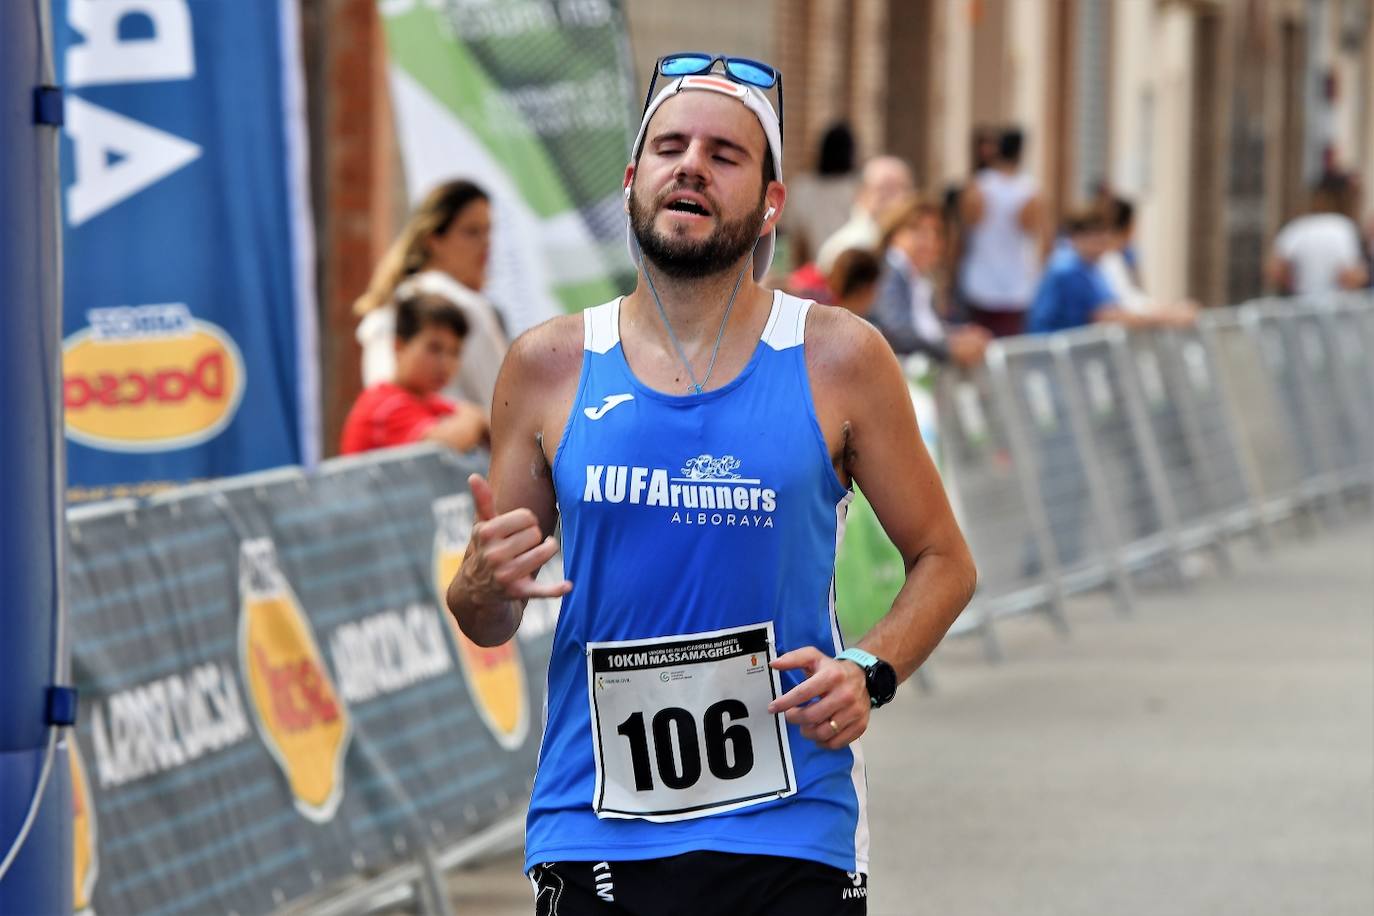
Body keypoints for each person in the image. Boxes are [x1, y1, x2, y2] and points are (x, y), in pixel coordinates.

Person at [445, 54, 975, 915]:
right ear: (631, 181)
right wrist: (476, 586)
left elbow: (945, 559)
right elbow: (490, 616)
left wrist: (868, 670)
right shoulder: (547, 364)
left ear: (770, 202)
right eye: (670, 148)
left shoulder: (839, 357)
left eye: (725, 155)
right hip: (598, 821)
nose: (691, 165)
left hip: (791, 822)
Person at [353, 180, 510, 409]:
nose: (486, 244)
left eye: (488, 231)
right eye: (472, 232)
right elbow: (505, 407)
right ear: (433, 239)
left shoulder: (385, 307)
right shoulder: (466, 305)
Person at [339, 293, 488, 455]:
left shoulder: (426, 401)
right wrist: (474, 418)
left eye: (455, 352)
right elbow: (446, 444)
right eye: (434, 348)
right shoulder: (385, 406)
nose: (446, 363)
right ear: (399, 347)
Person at [1026, 206, 1194, 334]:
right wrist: (1167, 318)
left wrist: (1165, 312)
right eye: (1096, 236)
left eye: (1104, 235)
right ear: (1077, 237)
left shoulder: (1093, 267)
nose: (1103, 242)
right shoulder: (1067, 269)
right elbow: (1104, 315)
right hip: (1051, 360)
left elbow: (1117, 304)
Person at [869, 195, 991, 367]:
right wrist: (950, 348)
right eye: (919, 230)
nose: (930, 240)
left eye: (936, 233)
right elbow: (897, 331)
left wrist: (960, 335)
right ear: (895, 233)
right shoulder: (888, 272)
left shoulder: (917, 277)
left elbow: (926, 327)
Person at [957, 128, 1045, 336]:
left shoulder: (979, 185)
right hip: (1016, 284)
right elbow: (1037, 233)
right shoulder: (1030, 190)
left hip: (981, 281)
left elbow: (963, 230)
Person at [1266, 172, 1370, 296]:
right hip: (1336, 303)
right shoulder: (1343, 227)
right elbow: (1351, 275)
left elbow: (1274, 271)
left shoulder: (1297, 226)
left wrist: (1296, 283)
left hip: (1301, 301)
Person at [1097, 196, 1198, 322]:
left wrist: (1168, 310)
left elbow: (1134, 299)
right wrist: (1170, 314)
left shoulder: (1122, 256)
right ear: (1129, 227)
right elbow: (1123, 305)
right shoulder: (1106, 260)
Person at [814, 155, 915, 274]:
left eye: (903, 188)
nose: (897, 198)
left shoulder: (911, 244)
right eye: (886, 188)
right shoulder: (850, 246)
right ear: (862, 193)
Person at [780, 122, 860, 267]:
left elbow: (796, 239)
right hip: (846, 270)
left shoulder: (803, 188)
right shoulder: (858, 188)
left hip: (819, 269)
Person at [825, 247, 883, 317]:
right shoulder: (863, 323)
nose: (877, 293)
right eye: (874, 286)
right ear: (863, 290)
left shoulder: (822, 313)